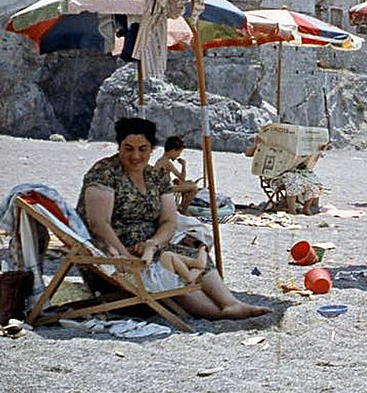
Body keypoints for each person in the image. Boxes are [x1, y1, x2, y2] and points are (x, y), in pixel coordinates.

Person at [78, 117, 271, 319]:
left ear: (152, 149)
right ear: (119, 146)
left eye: (142, 149)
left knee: (192, 252)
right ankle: (218, 313)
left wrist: (153, 243)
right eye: (128, 148)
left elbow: (169, 221)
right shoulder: (104, 173)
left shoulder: (155, 176)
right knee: (169, 268)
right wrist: (124, 254)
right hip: (113, 254)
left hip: (150, 248)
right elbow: (99, 224)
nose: (135, 156)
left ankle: (230, 304)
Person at [244, 135, 326, 215]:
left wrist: (319, 148)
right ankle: (292, 210)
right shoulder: (266, 142)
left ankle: (306, 208)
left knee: (313, 180)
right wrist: (256, 144)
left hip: (293, 172)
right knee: (292, 180)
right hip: (275, 176)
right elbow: (248, 153)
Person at [154, 136, 200, 214]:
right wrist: (183, 165)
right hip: (164, 189)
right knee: (194, 187)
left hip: (162, 187)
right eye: (179, 152)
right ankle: (183, 210)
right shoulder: (167, 163)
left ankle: (181, 205)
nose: (178, 155)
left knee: (183, 182)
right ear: (172, 151)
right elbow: (182, 177)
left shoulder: (161, 160)